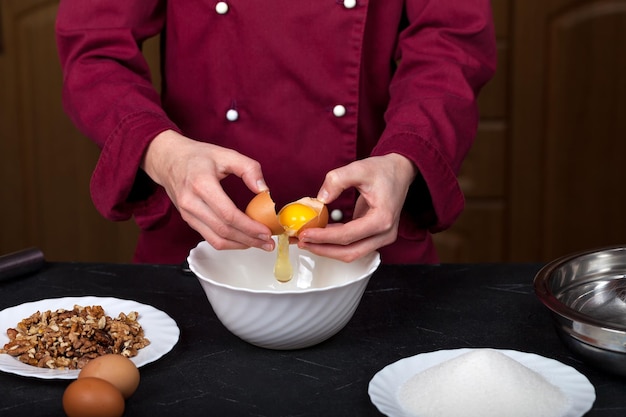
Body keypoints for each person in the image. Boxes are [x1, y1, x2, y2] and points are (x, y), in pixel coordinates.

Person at [55, 1, 497, 265]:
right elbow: (96, 48)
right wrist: (163, 152)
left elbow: (451, 44)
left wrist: (405, 156)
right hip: (198, 236)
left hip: (369, 236)